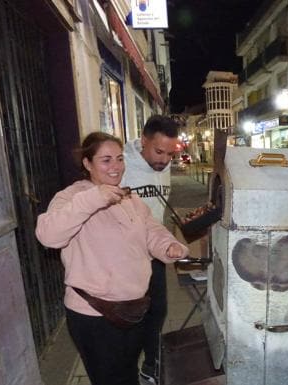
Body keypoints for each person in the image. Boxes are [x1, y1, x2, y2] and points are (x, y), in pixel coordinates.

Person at [35, 132, 188, 385]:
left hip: (132, 309)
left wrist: (168, 245)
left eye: (119, 159)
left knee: (127, 374)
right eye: (106, 160)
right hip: (94, 315)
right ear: (87, 164)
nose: (115, 167)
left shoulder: (129, 197)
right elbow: (48, 236)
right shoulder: (71, 197)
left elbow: (150, 229)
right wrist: (94, 199)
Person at [120, 115, 180, 385]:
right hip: (125, 258)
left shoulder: (162, 164)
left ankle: (151, 367)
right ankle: (125, 372)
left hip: (154, 253)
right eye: (158, 151)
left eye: (170, 153)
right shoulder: (119, 164)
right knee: (131, 318)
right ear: (143, 140)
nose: (164, 160)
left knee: (159, 310)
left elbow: (156, 212)